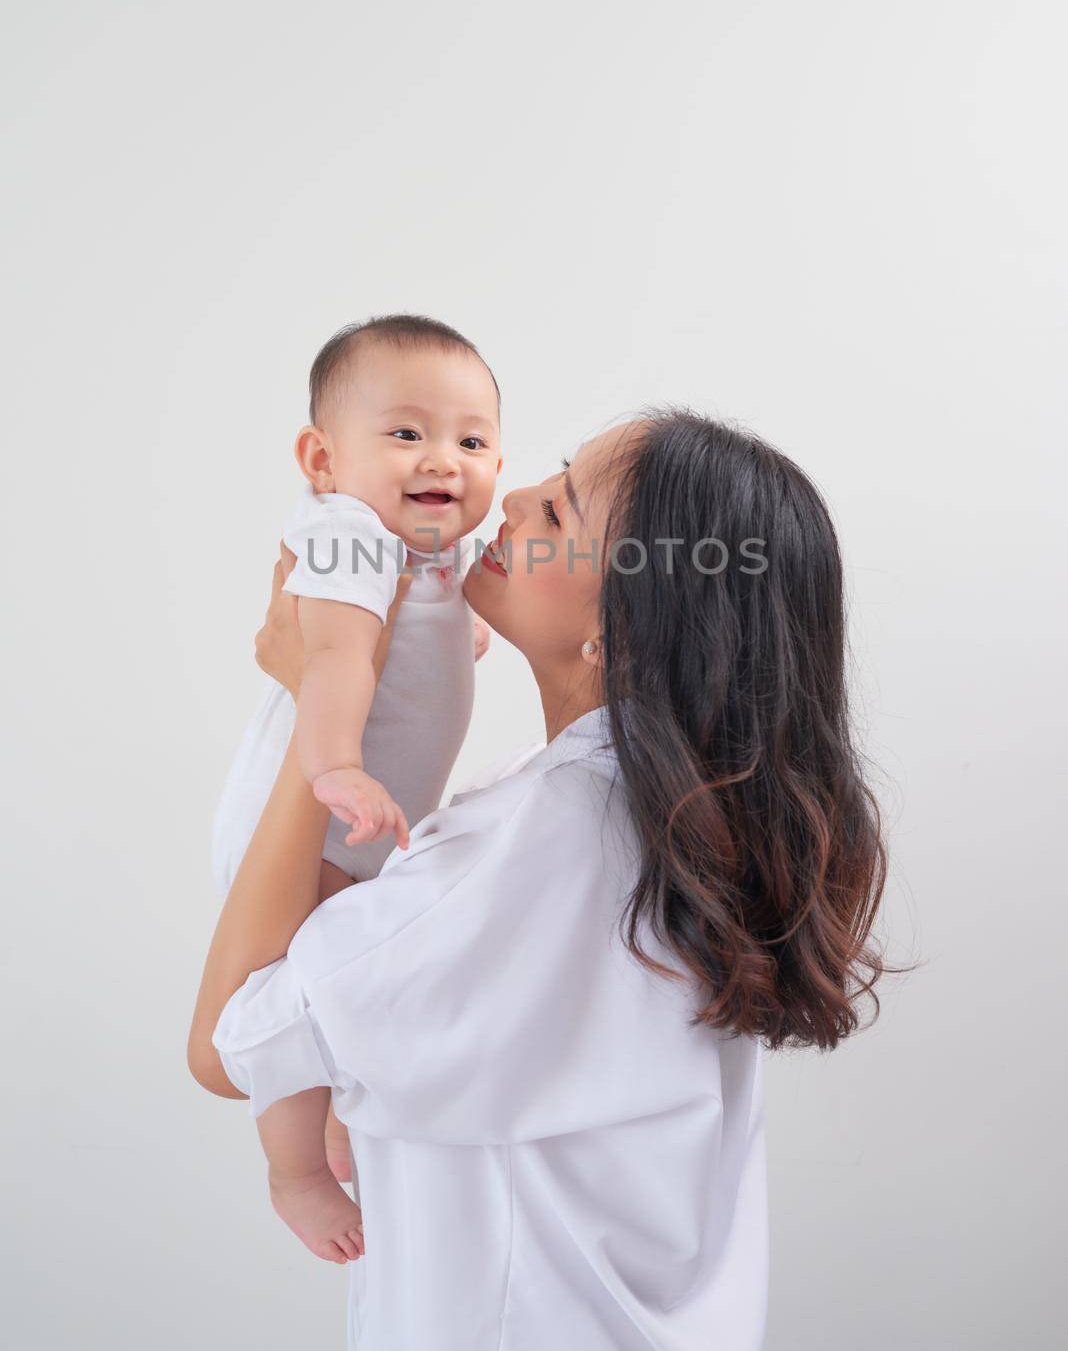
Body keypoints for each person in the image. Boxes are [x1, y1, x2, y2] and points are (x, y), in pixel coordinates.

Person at [189, 409, 894, 1350]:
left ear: (624, 627)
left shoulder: (557, 837)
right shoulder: (651, 826)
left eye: (559, 513)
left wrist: (314, 723)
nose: (510, 498)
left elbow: (231, 1042)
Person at [210, 312, 502, 1254]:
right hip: (314, 811)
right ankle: (292, 1170)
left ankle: (336, 1117)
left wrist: (457, 630)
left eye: (473, 440)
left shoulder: (421, 553)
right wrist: (333, 766)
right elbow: (332, 656)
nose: (444, 460)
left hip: (356, 819)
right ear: (322, 458)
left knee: (331, 987)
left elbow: (402, 645)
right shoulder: (345, 535)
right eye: (407, 433)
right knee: (278, 989)